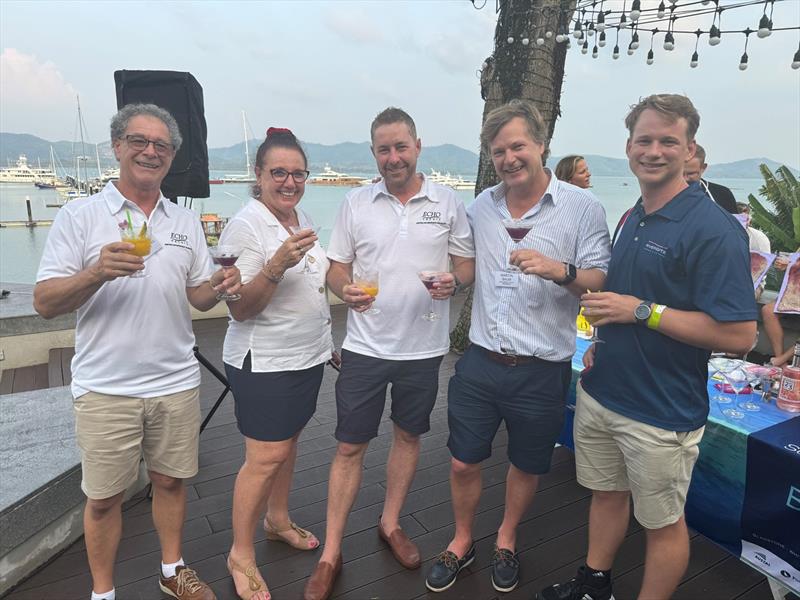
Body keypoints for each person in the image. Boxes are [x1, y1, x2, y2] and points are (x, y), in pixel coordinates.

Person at [537, 94, 757, 600]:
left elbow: (741, 334)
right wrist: (607, 340)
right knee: (607, 495)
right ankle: (593, 585)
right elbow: (624, 293)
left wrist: (642, 311)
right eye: (644, 140)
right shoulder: (634, 213)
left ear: (690, 149)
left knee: (663, 524)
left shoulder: (714, 228)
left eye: (667, 141)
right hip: (603, 390)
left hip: (661, 412)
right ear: (629, 146)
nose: (654, 151)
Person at [33, 103, 241, 600]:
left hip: (174, 382)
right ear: (117, 147)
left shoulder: (184, 221)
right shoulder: (81, 216)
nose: (150, 151)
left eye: (161, 145)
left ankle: (172, 571)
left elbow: (195, 296)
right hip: (106, 388)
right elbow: (44, 303)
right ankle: (103, 594)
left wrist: (221, 286)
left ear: (171, 156)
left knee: (171, 484)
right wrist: (95, 273)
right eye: (139, 141)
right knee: (103, 501)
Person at [426, 99, 611, 594]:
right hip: (481, 362)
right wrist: (451, 281)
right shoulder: (480, 208)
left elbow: (600, 281)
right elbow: (465, 265)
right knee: (463, 460)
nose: (509, 158)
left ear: (541, 144)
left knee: (527, 463)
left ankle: (506, 538)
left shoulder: (583, 207)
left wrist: (558, 270)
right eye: (499, 150)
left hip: (543, 367)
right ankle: (462, 540)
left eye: (518, 146)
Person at [304, 107, 475, 600]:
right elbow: (336, 268)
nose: (393, 157)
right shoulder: (356, 203)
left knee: (407, 436)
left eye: (401, 147)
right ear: (374, 152)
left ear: (417, 146)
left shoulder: (446, 202)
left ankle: (390, 523)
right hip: (364, 346)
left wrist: (455, 281)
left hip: (423, 348)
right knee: (348, 447)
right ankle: (331, 551)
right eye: (384, 149)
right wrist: (345, 290)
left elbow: (466, 263)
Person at [220, 128, 336, 600]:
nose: (290, 182)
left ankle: (278, 519)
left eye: (298, 173)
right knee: (264, 457)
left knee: (287, 445)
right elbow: (239, 308)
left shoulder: (299, 216)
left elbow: (313, 283)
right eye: (279, 173)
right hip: (263, 360)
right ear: (259, 175)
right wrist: (273, 266)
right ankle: (240, 555)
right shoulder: (246, 226)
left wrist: (330, 337)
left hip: (306, 355)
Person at [683, 143, 737, 213]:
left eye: (691, 173)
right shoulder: (664, 195)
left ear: (703, 168)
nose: (684, 179)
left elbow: (733, 222)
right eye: (678, 174)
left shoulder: (722, 194)